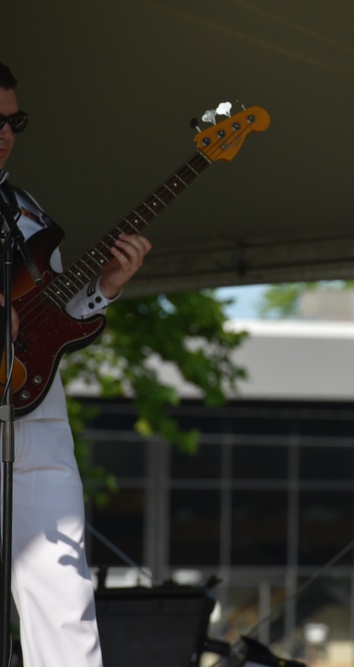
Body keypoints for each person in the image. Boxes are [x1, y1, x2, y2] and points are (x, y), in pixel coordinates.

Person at [0, 60, 152, 666]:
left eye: (14, 121)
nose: (5, 132)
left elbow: (50, 319)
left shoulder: (26, 209)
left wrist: (107, 287)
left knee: (65, 603)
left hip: (39, 425)